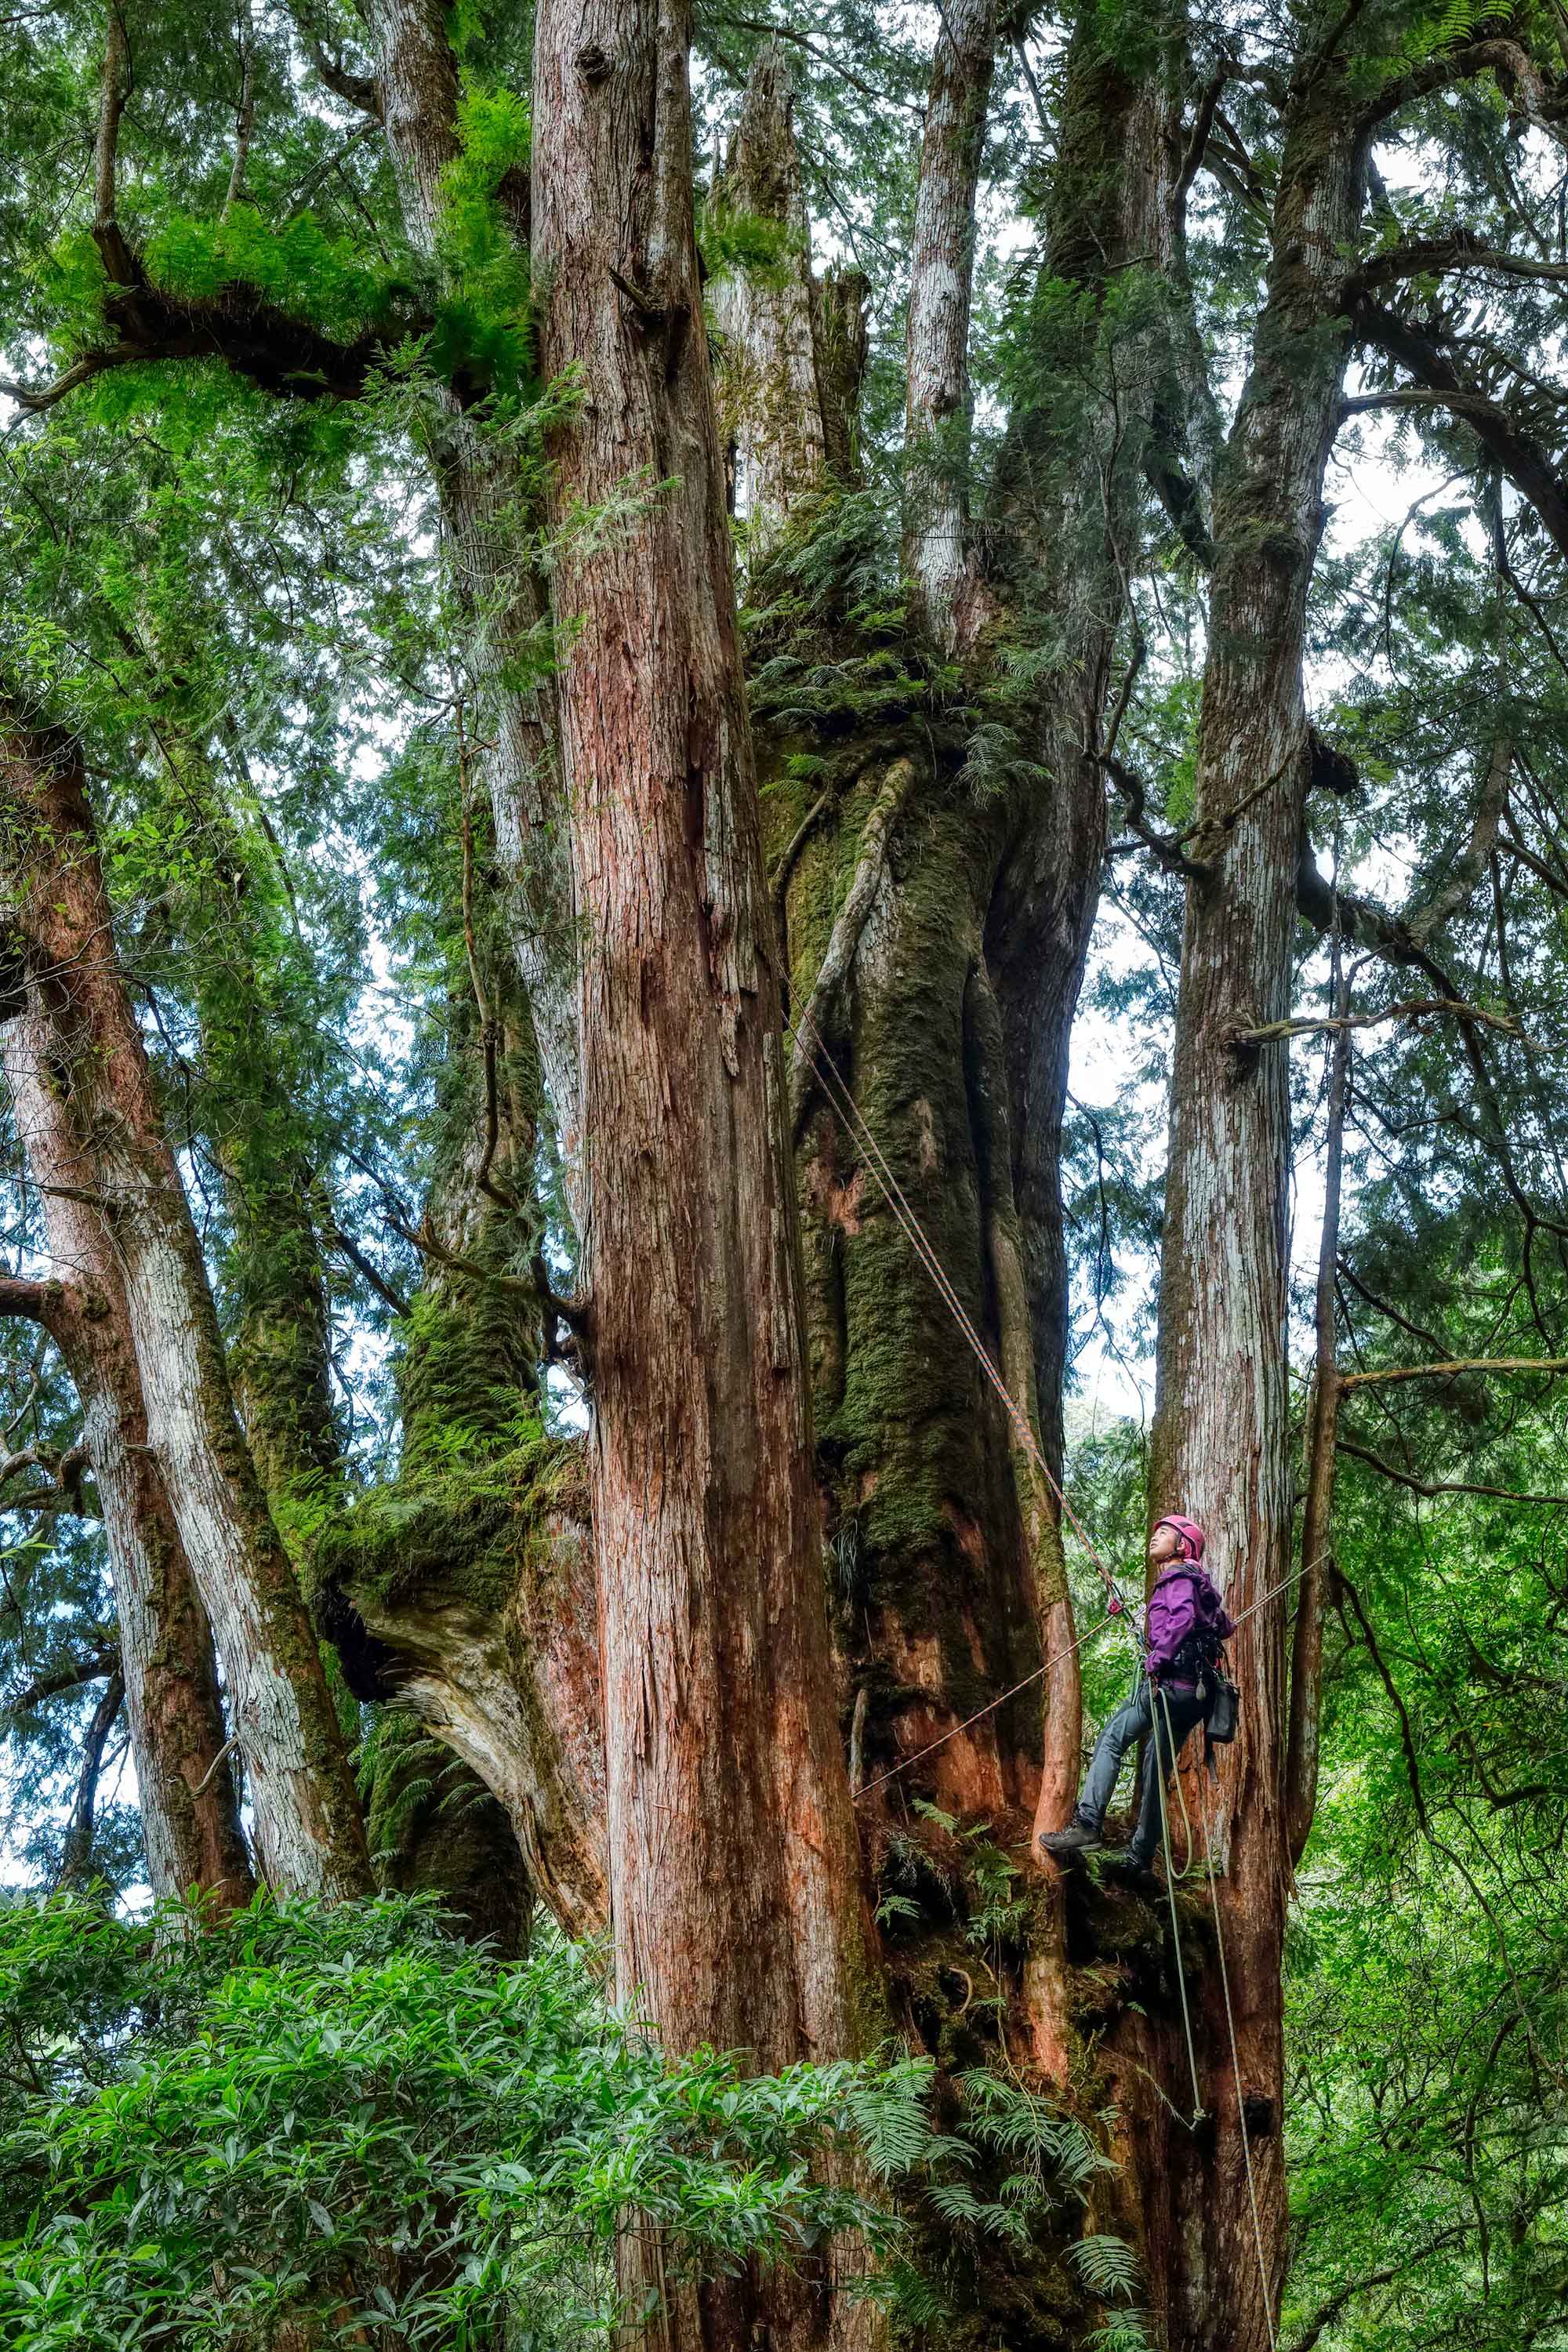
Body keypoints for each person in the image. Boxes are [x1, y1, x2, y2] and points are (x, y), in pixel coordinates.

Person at [1039, 1514, 1236, 1881]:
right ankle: (1140, 1859)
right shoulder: (1199, 1583)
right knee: (1154, 1768)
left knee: (1113, 1738)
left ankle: (1087, 1825)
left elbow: (1178, 1622)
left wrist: (1157, 1659)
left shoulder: (1176, 1577)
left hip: (1171, 1685)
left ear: (1181, 1547)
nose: (1154, 1536)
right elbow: (1224, 1626)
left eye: (1164, 1533)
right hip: (1196, 1696)